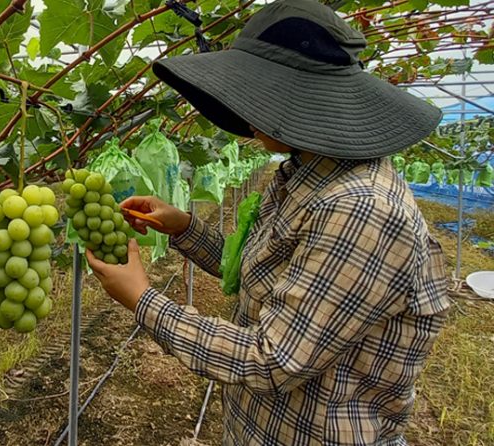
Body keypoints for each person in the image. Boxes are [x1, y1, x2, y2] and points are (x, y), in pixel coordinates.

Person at [85, 0, 451, 445]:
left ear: (304, 102)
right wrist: (183, 228)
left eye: (256, 96)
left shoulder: (360, 209)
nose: (244, 112)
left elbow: (272, 359)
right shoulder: (307, 174)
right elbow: (263, 274)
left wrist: (143, 299)